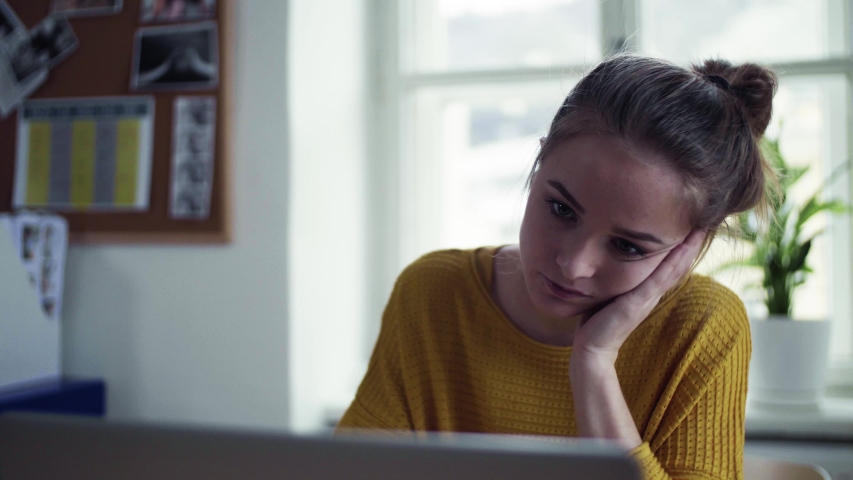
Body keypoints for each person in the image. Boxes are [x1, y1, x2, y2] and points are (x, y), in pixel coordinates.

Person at [336, 54, 777, 480]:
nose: (573, 264)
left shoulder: (703, 326)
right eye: (560, 209)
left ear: (688, 245)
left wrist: (595, 363)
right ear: (539, 162)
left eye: (626, 246)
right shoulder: (433, 293)